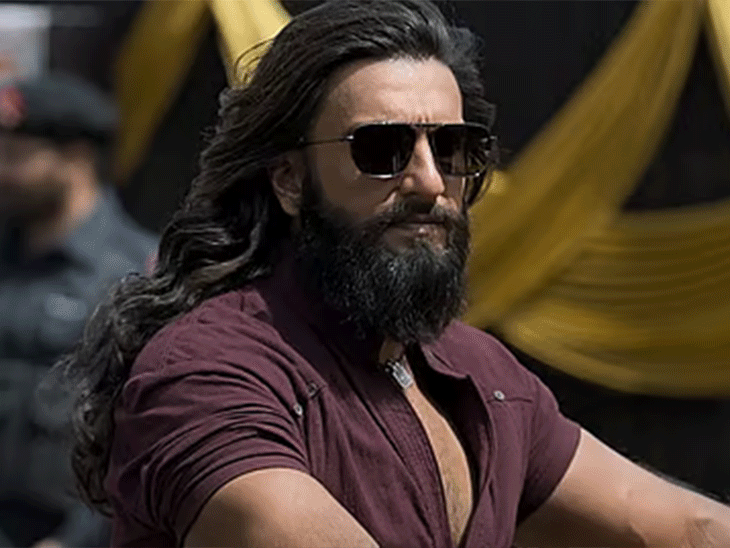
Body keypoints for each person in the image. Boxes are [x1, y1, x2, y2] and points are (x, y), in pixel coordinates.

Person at [61, 1, 730, 547]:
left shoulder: (482, 375)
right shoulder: (208, 373)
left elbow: (690, 528)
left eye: (454, 148)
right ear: (290, 180)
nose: (429, 181)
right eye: (380, 148)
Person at [0, 73, 157, 548]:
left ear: (75, 159)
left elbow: (148, 435)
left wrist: (76, 542)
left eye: (15, 157)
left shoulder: (139, 275)